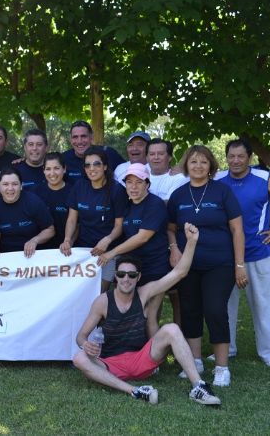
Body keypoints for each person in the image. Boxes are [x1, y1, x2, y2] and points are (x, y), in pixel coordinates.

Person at [72, 224, 222, 406]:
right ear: (116, 277)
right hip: (110, 365)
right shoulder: (103, 301)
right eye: (121, 274)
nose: (126, 279)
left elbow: (179, 272)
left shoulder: (144, 293)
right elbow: (81, 336)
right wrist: (86, 345)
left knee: (172, 329)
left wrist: (191, 242)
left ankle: (198, 387)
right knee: (79, 358)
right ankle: (135, 391)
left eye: (131, 275)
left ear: (138, 277)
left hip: (142, 360)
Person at [167, 145, 245, 387]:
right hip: (187, 265)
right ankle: (196, 360)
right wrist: (174, 248)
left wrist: (240, 264)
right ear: (186, 166)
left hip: (219, 263)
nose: (198, 166)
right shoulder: (178, 195)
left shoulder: (223, 192)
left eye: (203, 162)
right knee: (190, 310)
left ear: (211, 166)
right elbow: (170, 229)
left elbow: (237, 230)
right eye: (193, 162)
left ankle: (222, 367)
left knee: (214, 310)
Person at [215, 139, 270, 369]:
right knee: (224, 305)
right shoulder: (219, 179)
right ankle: (227, 348)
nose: (236, 161)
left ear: (249, 158)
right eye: (231, 156)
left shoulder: (264, 178)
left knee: (263, 304)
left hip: (258, 251)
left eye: (240, 156)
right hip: (226, 254)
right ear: (227, 157)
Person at [96, 163, 173, 336]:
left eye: (139, 182)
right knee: (134, 314)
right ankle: (134, 355)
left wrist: (112, 252)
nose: (133, 186)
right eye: (129, 182)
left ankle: (154, 360)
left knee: (150, 316)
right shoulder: (127, 205)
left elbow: (142, 237)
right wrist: (106, 241)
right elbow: (120, 229)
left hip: (154, 268)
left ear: (147, 184)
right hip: (133, 271)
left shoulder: (155, 204)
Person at [61, 146, 128, 292]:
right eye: (87, 165)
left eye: (96, 164)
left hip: (107, 252)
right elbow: (72, 219)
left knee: (98, 292)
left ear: (105, 166)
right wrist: (67, 239)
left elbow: (119, 225)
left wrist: (108, 239)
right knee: (80, 293)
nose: (92, 168)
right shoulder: (79, 186)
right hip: (83, 252)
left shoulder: (117, 190)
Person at [0, 168, 55, 257]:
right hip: (1, 258)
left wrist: (35, 240)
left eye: (15, 184)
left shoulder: (33, 201)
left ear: (21, 185)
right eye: (5, 184)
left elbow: (50, 230)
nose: (10, 188)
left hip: (31, 258)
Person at [35, 152, 75, 249]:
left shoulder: (73, 192)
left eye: (56, 168)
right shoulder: (36, 193)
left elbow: (76, 223)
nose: (52, 173)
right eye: (48, 169)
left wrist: (69, 241)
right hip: (40, 251)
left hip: (66, 249)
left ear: (64, 169)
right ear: (43, 170)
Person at [14, 129, 49, 193]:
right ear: (25, 147)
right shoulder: (14, 170)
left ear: (46, 147)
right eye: (31, 144)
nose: (34, 148)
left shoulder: (54, 171)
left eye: (39, 144)